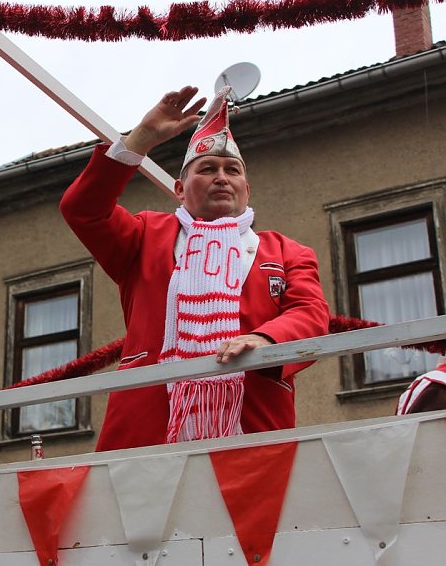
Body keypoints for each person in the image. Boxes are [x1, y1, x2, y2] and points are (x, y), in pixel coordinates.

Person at [59, 85, 330, 451]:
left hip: (251, 426)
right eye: (207, 169)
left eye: (232, 170)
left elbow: (310, 313)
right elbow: (83, 209)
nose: (221, 177)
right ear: (179, 189)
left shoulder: (287, 251)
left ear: (246, 189)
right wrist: (140, 139)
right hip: (148, 431)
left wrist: (265, 340)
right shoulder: (145, 236)